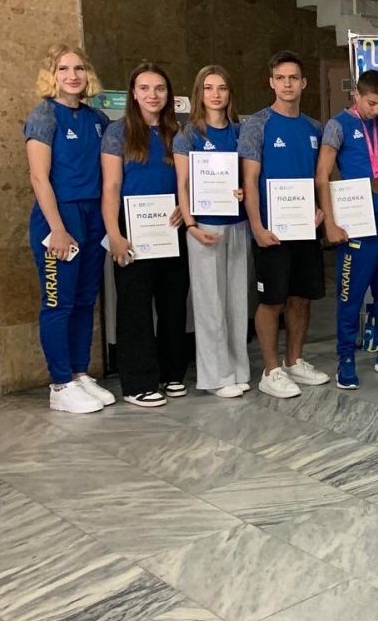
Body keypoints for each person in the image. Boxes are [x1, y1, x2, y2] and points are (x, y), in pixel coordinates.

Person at [25, 44, 114, 414]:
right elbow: (39, 177)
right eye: (63, 69)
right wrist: (57, 229)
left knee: (84, 299)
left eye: (78, 68)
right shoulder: (44, 116)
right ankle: (60, 384)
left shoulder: (97, 119)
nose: (72, 76)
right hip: (59, 218)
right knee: (58, 302)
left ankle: (78, 373)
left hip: (93, 215)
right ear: (52, 74)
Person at [239, 51, 329, 399]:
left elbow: (320, 178)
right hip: (271, 232)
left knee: (301, 298)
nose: (287, 84)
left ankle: (293, 361)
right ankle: (271, 370)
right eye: (281, 78)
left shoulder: (314, 127)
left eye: (293, 78)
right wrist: (257, 227)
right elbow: (249, 180)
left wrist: (321, 210)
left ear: (303, 83)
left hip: (305, 229)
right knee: (272, 301)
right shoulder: (257, 124)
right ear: (271, 82)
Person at [100, 63, 188, 408]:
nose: (153, 95)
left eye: (160, 88)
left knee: (173, 303)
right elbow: (111, 186)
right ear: (133, 94)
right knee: (134, 306)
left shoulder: (177, 132)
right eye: (145, 88)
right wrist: (114, 233)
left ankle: (171, 373)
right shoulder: (117, 132)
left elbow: (187, 180)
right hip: (131, 228)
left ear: (169, 94)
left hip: (171, 226)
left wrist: (184, 206)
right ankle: (138, 382)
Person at [317, 69, 378, 390]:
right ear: (356, 95)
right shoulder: (338, 125)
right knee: (350, 295)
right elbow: (322, 175)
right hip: (355, 221)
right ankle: (345, 359)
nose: (376, 109)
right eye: (371, 103)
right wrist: (330, 222)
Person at [174, 65, 250, 399]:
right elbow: (183, 185)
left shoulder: (240, 132)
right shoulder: (188, 134)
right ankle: (216, 376)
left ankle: (238, 369)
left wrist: (241, 192)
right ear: (199, 94)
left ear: (230, 93)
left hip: (237, 223)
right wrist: (190, 225)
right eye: (208, 88)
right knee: (209, 304)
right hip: (204, 226)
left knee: (236, 302)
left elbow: (245, 177)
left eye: (222, 88)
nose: (215, 94)